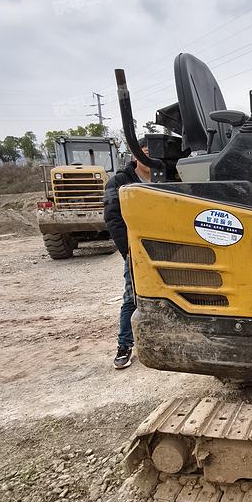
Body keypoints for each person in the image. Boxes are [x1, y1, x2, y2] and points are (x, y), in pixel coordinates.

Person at [103, 139, 151, 369]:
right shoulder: (120, 182)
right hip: (137, 250)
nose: (150, 157)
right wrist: (129, 252)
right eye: (145, 152)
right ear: (135, 156)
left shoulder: (168, 179)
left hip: (168, 246)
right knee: (132, 296)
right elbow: (113, 218)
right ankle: (124, 346)